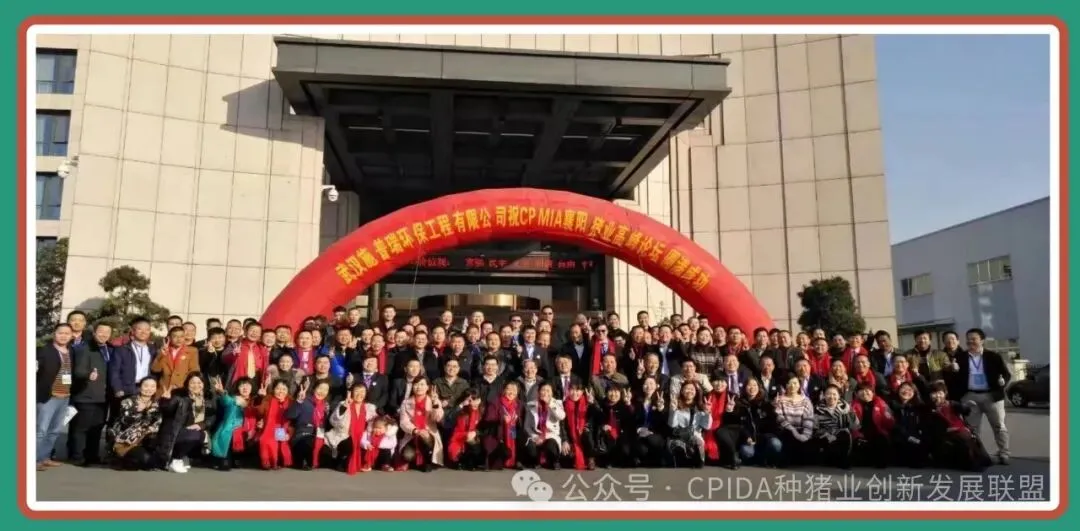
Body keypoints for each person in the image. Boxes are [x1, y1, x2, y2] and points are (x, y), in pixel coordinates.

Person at [952, 328, 1011, 465]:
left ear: (982, 340)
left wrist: (1003, 381)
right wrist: (954, 370)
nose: (970, 341)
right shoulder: (960, 357)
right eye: (968, 339)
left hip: (991, 396)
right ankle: (976, 454)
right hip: (970, 395)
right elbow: (955, 379)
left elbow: (1006, 374)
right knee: (972, 428)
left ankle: (1004, 453)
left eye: (974, 338)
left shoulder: (993, 356)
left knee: (999, 425)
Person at [67, 322, 111, 467]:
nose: (104, 334)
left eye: (107, 332)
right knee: (81, 428)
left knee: (96, 428)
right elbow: (78, 371)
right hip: (86, 395)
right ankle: (77, 456)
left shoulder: (108, 349)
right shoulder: (85, 348)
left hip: (102, 397)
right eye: (101, 331)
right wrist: (88, 375)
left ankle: (92, 455)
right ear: (94, 333)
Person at [925, 380, 992, 472]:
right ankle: (972, 463)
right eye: (934, 393)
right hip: (944, 433)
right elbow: (931, 429)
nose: (937, 396)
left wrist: (967, 406)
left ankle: (979, 459)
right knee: (964, 436)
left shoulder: (951, 404)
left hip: (960, 429)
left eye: (940, 393)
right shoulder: (928, 409)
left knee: (969, 434)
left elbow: (965, 409)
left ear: (945, 393)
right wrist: (949, 429)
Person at [156, 373, 217, 473]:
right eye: (192, 383)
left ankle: (183, 456)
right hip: (175, 431)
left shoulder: (207, 398)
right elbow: (168, 410)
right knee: (196, 435)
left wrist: (202, 425)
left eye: (199, 383)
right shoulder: (179, 396)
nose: (196, 385)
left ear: (204, 384)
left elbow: (212, 416)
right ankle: (176, 459)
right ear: (187, 384)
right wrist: (165, 401)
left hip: (190, 432)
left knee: (200, 434)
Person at [36, 323, 76, 471]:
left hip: (65, 397)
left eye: (67, 333)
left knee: (54, 431)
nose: (63, 336)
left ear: (71, 336)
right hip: (48, 397)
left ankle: (44, 457)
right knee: (40, 430)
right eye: (61, 333)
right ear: (54, 334)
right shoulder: (44, 351)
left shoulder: (71, 352)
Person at [109, 377, 162, 470]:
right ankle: (120, 457)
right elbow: (124, 421)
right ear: (140, 387)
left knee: (153, 463)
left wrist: (151, 429)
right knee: (140, 462)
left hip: (145, 437)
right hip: (127, 439)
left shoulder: (157, 404)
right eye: (146, 386)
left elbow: (158, 421)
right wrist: (138, 412)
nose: (149, 389)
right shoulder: (128, 401)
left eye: (152, 386)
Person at [209, 376, 258, 470]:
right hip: (231, 430)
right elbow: (226, 400)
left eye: (248, 385)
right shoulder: (233, 400)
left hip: (250, 430)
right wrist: (222, 392)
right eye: (241, 386)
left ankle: (239, 458)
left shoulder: (255, 402)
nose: (245, 388)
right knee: (232, 435)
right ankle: (225, 458)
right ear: (237, 388)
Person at [327, 384, 378, 474]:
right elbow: (333, 421)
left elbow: (375, 423)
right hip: (344, 436)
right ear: (351, 393)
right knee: (350, 444)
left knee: (367, 445)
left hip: (362, 437)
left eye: (362, 391)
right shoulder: (344, 404)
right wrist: (344, 407)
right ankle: (341, 460)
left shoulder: (369, 408)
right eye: (357, 391)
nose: (359, 394)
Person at [397, 376, 444, 472]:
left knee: (425, 436)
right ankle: (417, 460)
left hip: (429, 433)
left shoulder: (433, 401)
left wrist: (435, 403)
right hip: (412, 434)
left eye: (422, 384)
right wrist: (415, 430)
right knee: (407, 455)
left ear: (427, 387)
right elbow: (403, 422)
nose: (419, 387)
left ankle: (427, 461)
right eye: (416, 384)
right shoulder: (406, 402)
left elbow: (438, 418)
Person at [288, 379, 332, 470]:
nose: (322, 392)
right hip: (302, 436)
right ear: (314, 389)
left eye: (325, 390)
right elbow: (290, 415)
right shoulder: (304, 400)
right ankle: (301, 460)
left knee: (327, 454)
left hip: (319, 436)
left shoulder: (326, 405)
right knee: (309, 442)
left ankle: (310, 461)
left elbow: (326, 425)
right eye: (320, 388)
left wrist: (327, 414)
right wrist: (298, 402)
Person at [737, 379, 782, 467]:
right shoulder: (740, 404)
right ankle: (761, 459)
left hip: (765, 439)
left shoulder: (765, 403)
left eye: (755, 385)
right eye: (749, 385)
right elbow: (739, 425)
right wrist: (747, 437)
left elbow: (773, 424)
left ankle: (765, 459)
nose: (752, 388)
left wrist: (774, 410)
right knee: (746, 453)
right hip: (749, 440)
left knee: (776, 444)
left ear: (759, 387)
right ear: (745, 388)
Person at [667, 380, 710, 468]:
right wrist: (674, 411)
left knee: (698, 442)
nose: (689, 391)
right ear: (682, 391)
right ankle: (682, 459)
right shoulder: (676, 404)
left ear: (696, 392)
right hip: (679, 435)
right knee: (678, 445)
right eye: (687, 389)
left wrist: (707, 413)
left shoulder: (700, 407)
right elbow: (672, 425)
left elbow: (706, 426)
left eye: (692, 389)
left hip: (694, 435)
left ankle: (699, 459)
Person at [813, 385, 857, 469]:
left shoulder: (846, 407)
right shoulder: (818, 409)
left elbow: (855, 425)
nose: (831, 397)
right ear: (824, 395)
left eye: (834, 394)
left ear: (839, 395)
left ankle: (843, 460)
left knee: (844, 434)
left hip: (841, 435)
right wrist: (827, 435)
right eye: (828, 394)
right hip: (825, 437)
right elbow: (815, 429)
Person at [522, 382, 565, 469]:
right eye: (543, 390)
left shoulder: (557, 403)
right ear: (539, 392)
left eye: (548, 391)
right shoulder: (531, 405)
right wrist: (535, 437)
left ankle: (554, 461)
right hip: (536, 435)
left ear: (552, 393)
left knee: (551, 446)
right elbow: (527, 426)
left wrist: (550, 404)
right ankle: (536, 461)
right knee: (531, 449)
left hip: (550, 435)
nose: (545, 393)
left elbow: (561, 416)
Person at [774, 375, 815, 467]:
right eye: (789, 383)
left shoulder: (806, 401)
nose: (792, 386)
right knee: (788, 437)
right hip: (786, 432)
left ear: (799, 385)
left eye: (795, 383)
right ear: (785, 385)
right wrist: (793, 431)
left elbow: (808, 420)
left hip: (801, 432)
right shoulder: (779, 400)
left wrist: (804, 436)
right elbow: (779, 418)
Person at [851, 383, 895, 468]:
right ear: (856, 393)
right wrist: (857, 435)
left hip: (877, 434)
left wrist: (887, 417)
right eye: (861, 390)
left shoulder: (881, 403)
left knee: (881, 442)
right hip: (861, 435)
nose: (864, 392)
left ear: (873, 392)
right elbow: (851, 425)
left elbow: (890, 423)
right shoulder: (853, 405)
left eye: (867, 390)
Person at [702, 376, 742, 469]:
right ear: (711, 383)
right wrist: (706, 412)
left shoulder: (732, 396)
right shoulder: (706, 396)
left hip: (728, 429)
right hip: (709, 425)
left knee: (720, 431)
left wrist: (729, 411)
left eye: (722, 381)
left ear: (727, 383)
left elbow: (737, 420)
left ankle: (733, 456)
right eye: (716, 381)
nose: (719, 384)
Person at [481, 380, 522, 471]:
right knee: (503, 454)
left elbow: (520, 421)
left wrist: (517, 418)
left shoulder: (517, 404)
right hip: (496, 432)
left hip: (512, 430)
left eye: (514, 390)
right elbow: (488, 419)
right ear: (503, 390)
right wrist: (502, 418)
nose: (511, 392)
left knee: (519, 439)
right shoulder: (495, 402)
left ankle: (514, 460)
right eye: (508, 389)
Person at [256, 379, 294, 469]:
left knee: (279, 440)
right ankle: (267, 462)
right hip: (268, 428)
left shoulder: (291, 402)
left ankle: (275, 461)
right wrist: (260, 398)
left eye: (284, 389)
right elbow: (259, 412)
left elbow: (294, 422)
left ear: (288, 391)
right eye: (278, 388)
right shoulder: (268, 399)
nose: (281, 391)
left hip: (282, 429)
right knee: (265, 440)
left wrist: (289, 433)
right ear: (273, 389)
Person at [152, 326, 201, 394]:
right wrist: (161, 355)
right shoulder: (163, 351)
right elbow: (155, 370)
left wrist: (181, 385)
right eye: (175, 336)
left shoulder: (192, 351)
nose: (179, 339)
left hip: (182, 389)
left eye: (181, 336)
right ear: (169, 338)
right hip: (164, 390)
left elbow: (194, 370)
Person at [594, 384, 634, 468]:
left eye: (616, 391)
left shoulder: (624, 405)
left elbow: (632, 417)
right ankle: (608, 460)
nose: (613, 394)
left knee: (625, 450)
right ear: (606, 393)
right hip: (607, 436)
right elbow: (596, 419)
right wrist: (603, 426)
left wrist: (628, 404)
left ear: (620, 393)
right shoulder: (602, 405)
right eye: (611, 391)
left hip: (622, 435)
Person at [891, 381, 929, 468]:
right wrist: (908, 436)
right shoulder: (892, 405)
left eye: (910, 389)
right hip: (899, 437)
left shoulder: (919, 407)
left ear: (914, 392)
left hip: (915, 437)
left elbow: (922, 425)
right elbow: (893, 425)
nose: (906, 391)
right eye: (903, 388)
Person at [633, 376, 668, 467]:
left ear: (657, 386)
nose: (648, 386)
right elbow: (634, 419)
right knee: (641, 449)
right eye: (646, 384)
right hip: (641, 433)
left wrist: (661, 409)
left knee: (651, 439)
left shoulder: (661, 399)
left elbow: (665, 421)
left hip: (656, 433)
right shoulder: (637, 400)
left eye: (651, 383)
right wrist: (638, 429)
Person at [562, 382, 597, 470]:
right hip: (571, 437)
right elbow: (562, 425)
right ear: (568, 391)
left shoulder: (588, 402)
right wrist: (565, 440)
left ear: (582, 392)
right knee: (566, 461)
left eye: (577, 390)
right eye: (572, 390)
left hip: (585, 435)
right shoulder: (564, 404)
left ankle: (590, 458)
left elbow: (598, 416)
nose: (574, 393)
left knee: (587, 434)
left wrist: (592, 403)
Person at [447, 390, 484, 470]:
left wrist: (476, 432)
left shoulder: (482, 411)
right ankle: (462, 460)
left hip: (475, 437)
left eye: (476, 399)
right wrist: (462, 404)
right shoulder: (462, 410)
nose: (474, 402)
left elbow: (485, 428)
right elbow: (450, 417)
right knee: (454, 455)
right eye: (471, 400)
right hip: (459, 437)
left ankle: (473, 461)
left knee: (471, 439)